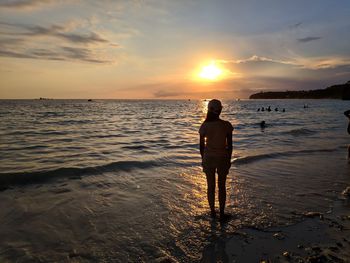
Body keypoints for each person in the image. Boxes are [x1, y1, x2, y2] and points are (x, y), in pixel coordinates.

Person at [199, 99, 233, 220]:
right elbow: (230, 146)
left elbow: (201, 146)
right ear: (220, 110)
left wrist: (203, 159)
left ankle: (213, 212)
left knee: (210, 186)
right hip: (223, 158)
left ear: (209, 110)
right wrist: (229, 159)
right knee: (222, 186)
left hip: (209, 158)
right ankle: (222, 213)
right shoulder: (227, 125)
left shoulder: (204, 126)